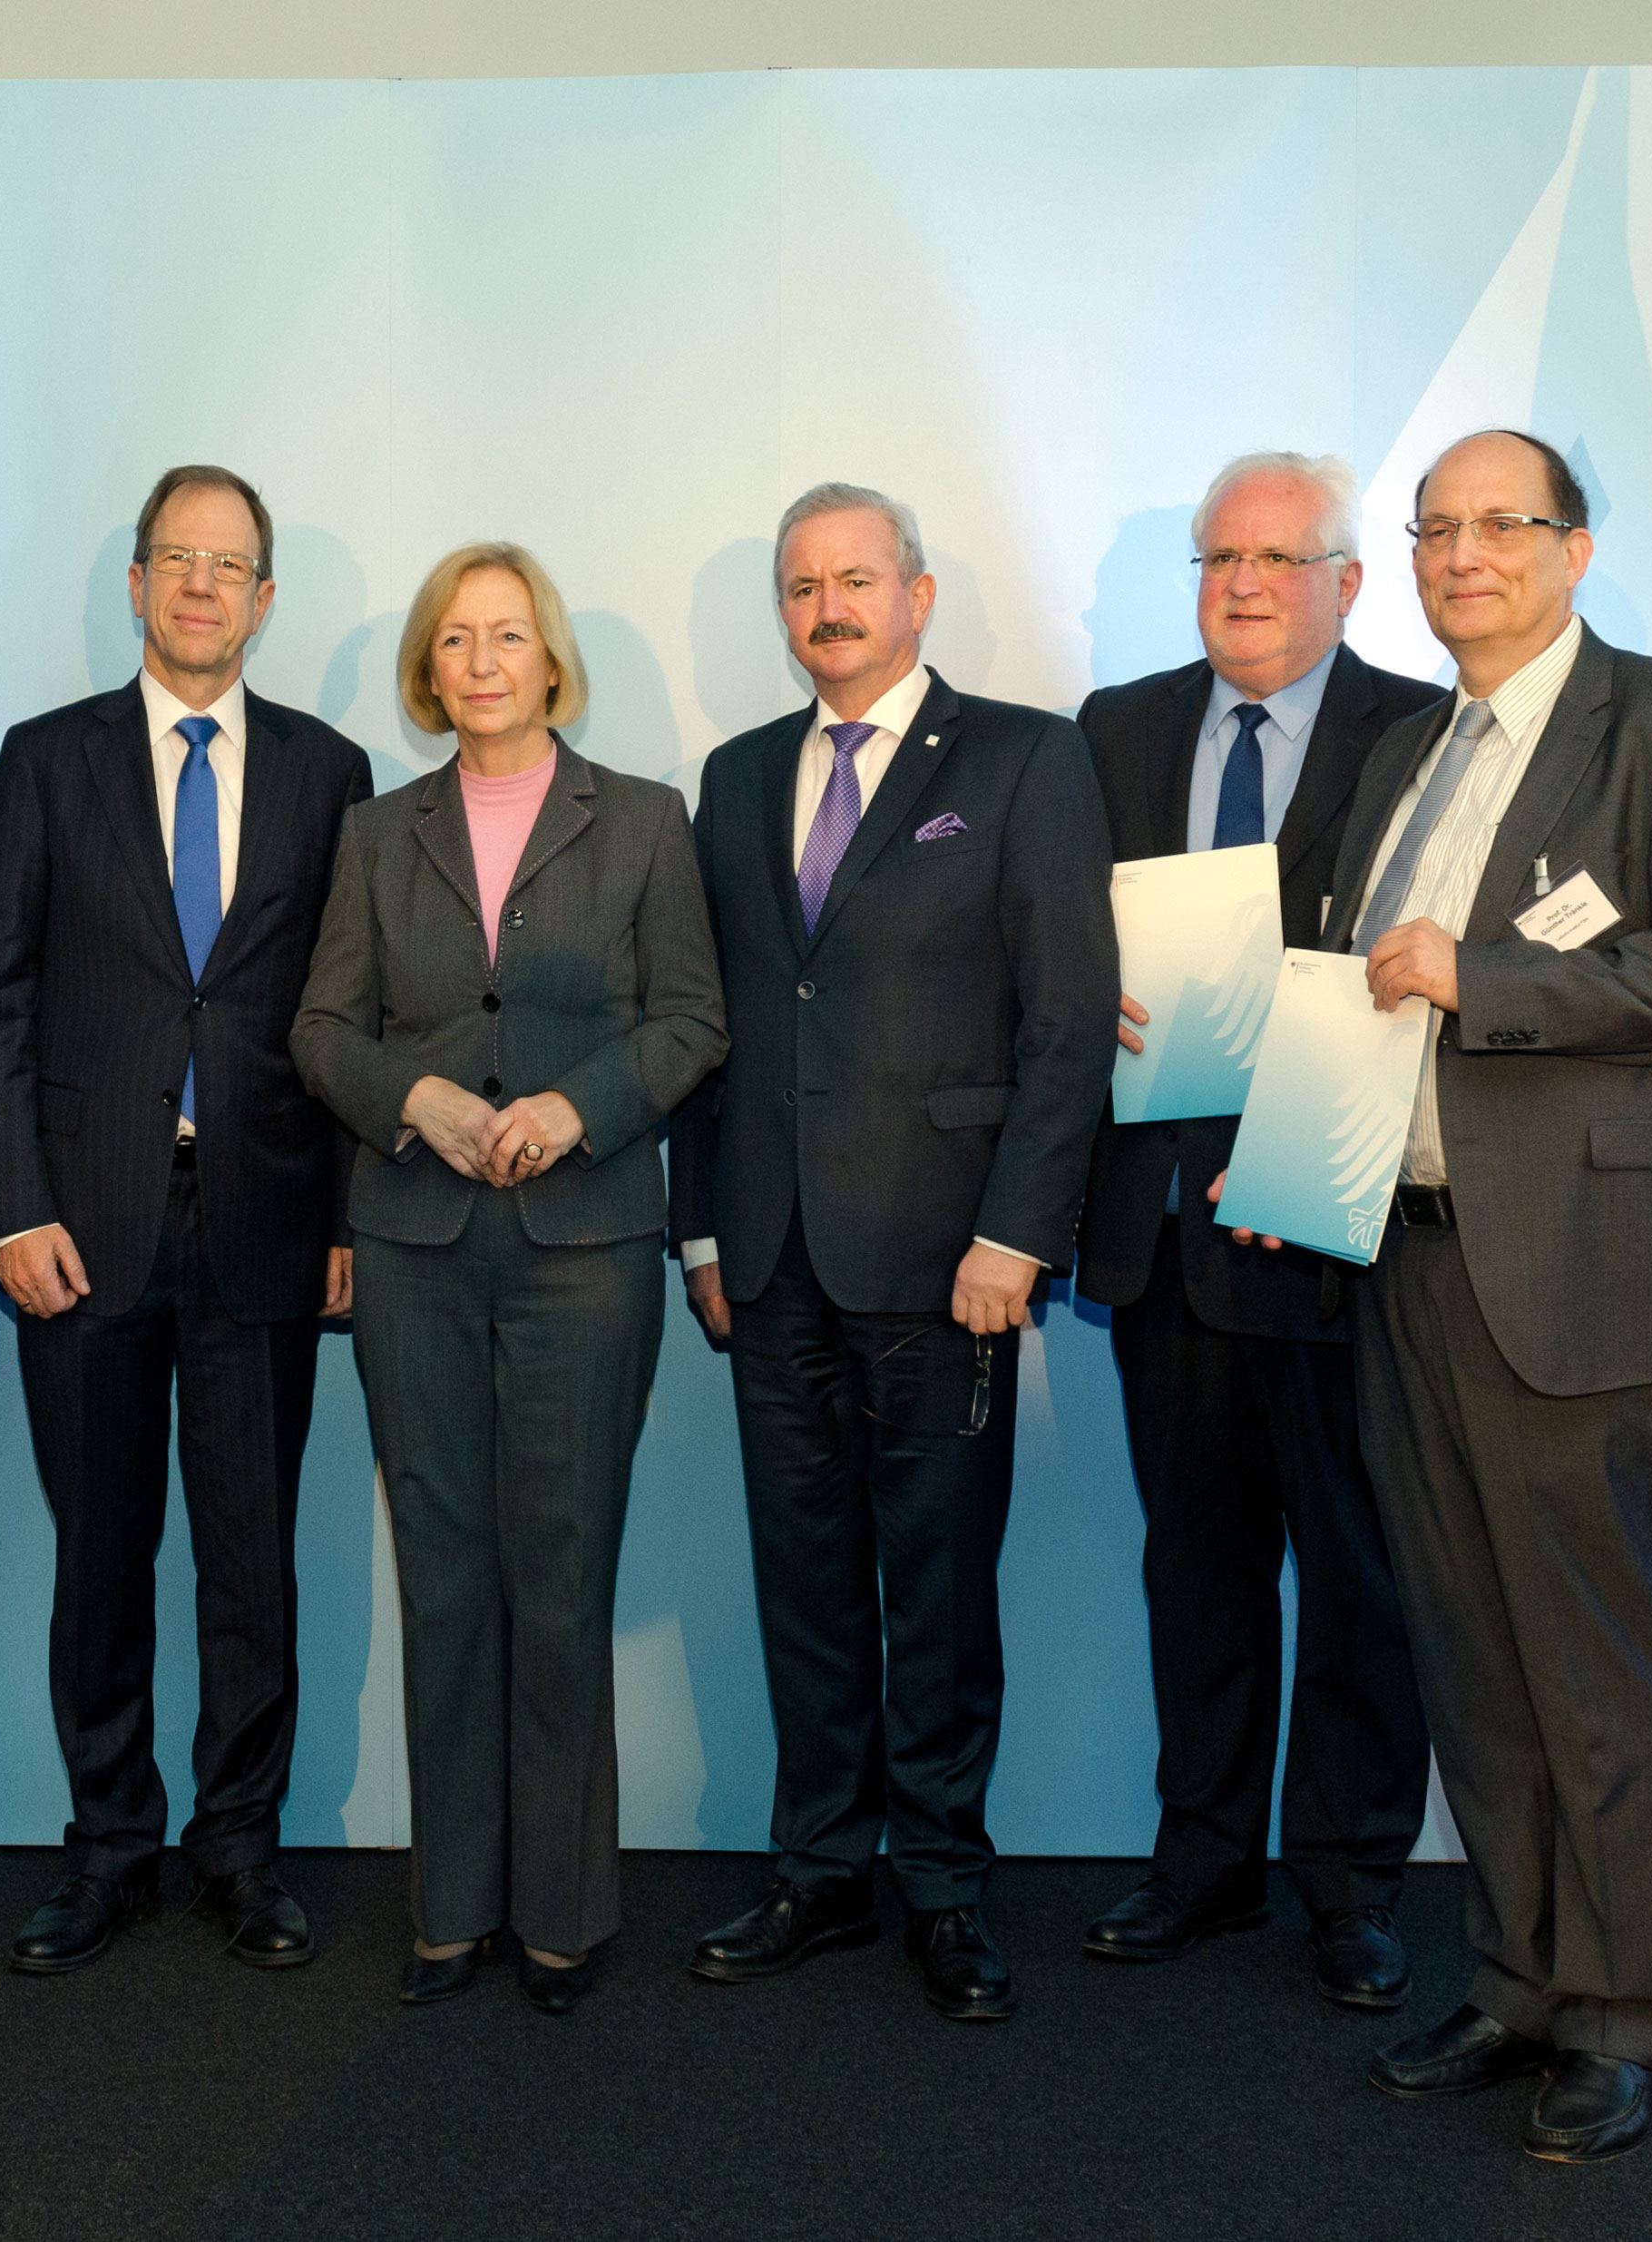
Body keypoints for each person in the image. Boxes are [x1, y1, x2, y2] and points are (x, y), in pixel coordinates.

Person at [1299, 429, 1652, 2163]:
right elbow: (1365, 1004)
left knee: (1593, 1669)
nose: (1462, 556)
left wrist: (1488, 975)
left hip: (1585, 1273)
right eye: (1433, 529)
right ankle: (1517, 1983)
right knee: (1473, 1655)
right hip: (1412, 1263)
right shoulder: (1405, 759)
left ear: (1576, 550)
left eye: (1502, 525)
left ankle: (1624, 2019)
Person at [671, 483, 1116, 2024]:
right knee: (799, 1583)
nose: (828, 608)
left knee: (934, 1586)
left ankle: (942, 1882)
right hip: (771, 1261)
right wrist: (703, 1230)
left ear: (918, 595)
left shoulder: (1022, 757)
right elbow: (708, 1026)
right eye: (802, 587)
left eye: (857, 579)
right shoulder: (731, 782)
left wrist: (1019, 1232)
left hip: (948, 1263)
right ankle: (817, 1872)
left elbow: (1068, 1026)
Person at [291, 543, 727, 2013]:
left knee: (561, 1576)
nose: (482, 662)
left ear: (552, 661)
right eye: (456, 641)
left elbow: (690, 1022)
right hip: (415, 1249)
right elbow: (321, 1031)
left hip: (583, 1252)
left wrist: (575, 1108)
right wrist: (415, 1100)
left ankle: (562, 1913)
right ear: (430, 669)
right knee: (445, 1580)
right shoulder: (373, 833)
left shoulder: (647, 823)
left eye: (509, 637)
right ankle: (451, 1909)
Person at [0, 466, 376, 1975]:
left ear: (265, 601)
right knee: (101, 1556)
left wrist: (344, 1214)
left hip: (269, 1222)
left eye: (231, 565)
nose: (202, 587)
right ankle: (108, 1846)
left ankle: (241, 1848)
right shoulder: (46, 760)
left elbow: (346, 1014)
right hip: (80, 1228)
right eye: (176, 560)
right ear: (138, 585)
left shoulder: (335, 777)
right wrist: (11, 1206)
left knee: (253, 1559)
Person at [1070, 452, 1435, 2006]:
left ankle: (1347, 1884)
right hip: (1163, 1234)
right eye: (1224, 556)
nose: (1246, 584)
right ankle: (1202, 1863)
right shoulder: (1118, 729)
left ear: (1349, 583)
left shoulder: (1424, 732)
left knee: (1361, 1572)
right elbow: (1049, 932)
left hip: (1339, 1226)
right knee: (1196, 1568)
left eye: (1283, 560)